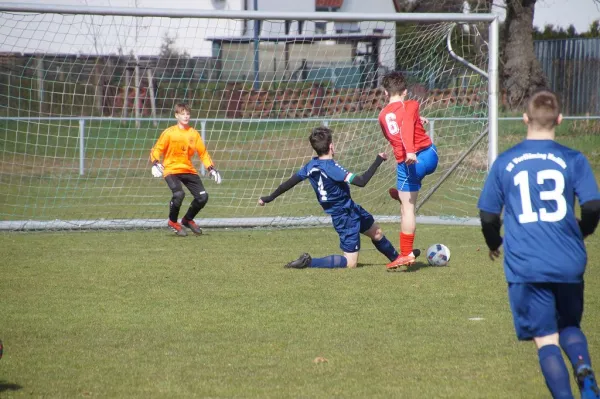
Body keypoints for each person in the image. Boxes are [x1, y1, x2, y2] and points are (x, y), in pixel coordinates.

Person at [478, 90, 600, 399]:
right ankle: (585, 374)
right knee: (570, 325)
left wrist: (494, 243)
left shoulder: (506, 162)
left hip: (526, 263)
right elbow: (593, 206)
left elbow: (489, 215)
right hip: (568, 260)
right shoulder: (573, 158)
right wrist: (582, 232)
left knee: (546, 339)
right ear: (559, 120)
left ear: (524, 119)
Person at [258, 126, 406, 269]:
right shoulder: (331, 167)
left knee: (376, 232)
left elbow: (288, 184)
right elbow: (361, 182)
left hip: (351, 209)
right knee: (350, 264)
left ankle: (399, 259)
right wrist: (378, 160)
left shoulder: (311, 165)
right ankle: (309, 262)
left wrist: (269, 198)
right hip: (344, 216)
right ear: (331, 146)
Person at [378, 71, 439, 270]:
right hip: (429, 155)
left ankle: (405, 254)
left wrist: (410, 152)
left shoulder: (382, 116)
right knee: (407, 199)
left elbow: (400, 132)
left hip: (410, 160)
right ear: (404, 91)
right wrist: (416, 119)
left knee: (407, 209)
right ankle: (403, 194)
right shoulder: (411, 105)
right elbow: (406, 121)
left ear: (385, 93)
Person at [150, 103, 222, 236]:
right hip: (171, 170)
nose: (186, 116)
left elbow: (203, 153)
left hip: (188, 169)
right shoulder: (169, 133)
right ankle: (172, 222)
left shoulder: (194, 134)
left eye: (187, 114)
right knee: (179, 194)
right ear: (176, 115)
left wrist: (211, 169)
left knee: (202, 197)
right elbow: (157, 149)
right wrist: (155, 163)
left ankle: (187, 219)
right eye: (182, 114)